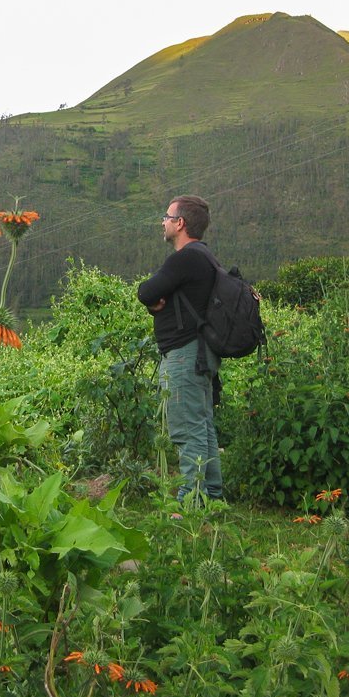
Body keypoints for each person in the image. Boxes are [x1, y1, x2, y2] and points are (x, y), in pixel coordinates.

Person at [137, 195, 224, 504]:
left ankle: (193, 498)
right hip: (201, 353)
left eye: (167, 216)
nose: (163, 222)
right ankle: (211, 494)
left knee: (187, 428)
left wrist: (152, 302)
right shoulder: (206, 257)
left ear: (180, 223)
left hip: (185, 354)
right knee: (202, 425)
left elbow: (146, 291)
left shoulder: (185, 258)